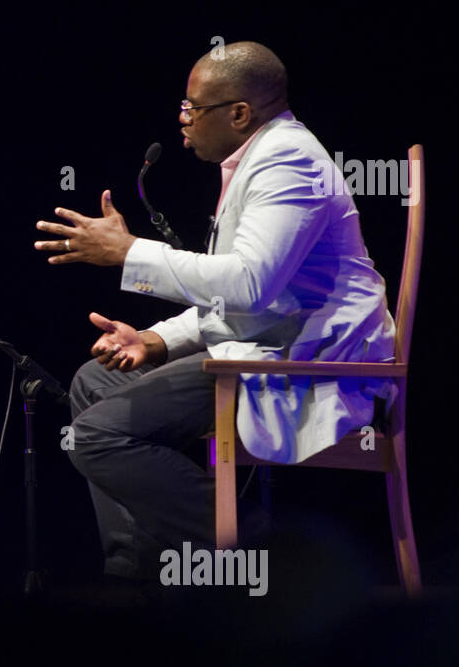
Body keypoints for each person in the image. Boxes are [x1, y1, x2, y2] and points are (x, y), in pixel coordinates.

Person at [33, 41, 396, 585]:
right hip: (268, 340)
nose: (182, 120)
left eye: (191, 108)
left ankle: (267, 559)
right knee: (95, 381)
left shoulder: (289, 162)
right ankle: (139, 574)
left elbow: (249, 286)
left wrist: (128, 252)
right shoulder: (258, 158)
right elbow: (244, 295)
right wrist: (155, 340)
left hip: (305, 362)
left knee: (95, 435)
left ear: (239, 114)